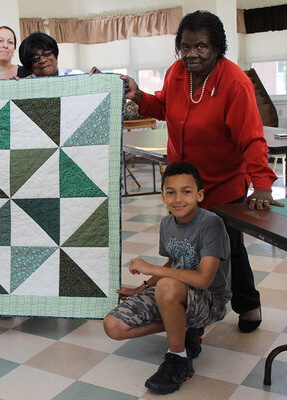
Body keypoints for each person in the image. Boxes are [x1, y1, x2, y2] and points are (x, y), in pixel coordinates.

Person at [121, 10, 282, 333]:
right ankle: (189, 309)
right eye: (186, 46)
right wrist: (140, 97)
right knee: (186, 248)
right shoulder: (177, 73)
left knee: (226, 248)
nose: (192, 54)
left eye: (201, 47)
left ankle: (248, 304)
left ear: (217, 47)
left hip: (223, 184)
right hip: (184, 184)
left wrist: (262, 185)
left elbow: (251, 138)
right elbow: (165, 106)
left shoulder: (234, 81)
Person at [103, 162, 231, 394]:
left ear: (200, 195)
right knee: (114, 327)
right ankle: (185, 328)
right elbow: (173, 262)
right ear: (163, 197)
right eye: (170, 192)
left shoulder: (212, 224)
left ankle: (178, 357)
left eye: (186, 191)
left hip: (210, 300)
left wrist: (152, 269)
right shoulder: (167, 223)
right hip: (173, 292)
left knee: (166, 285)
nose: (178, 199)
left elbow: (203, 280)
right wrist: (140, 288)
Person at [18, 32, 98, 77]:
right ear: (29, 65)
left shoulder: (77, 76)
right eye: (35, 57)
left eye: (46, 53)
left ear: (55, 54)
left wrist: (102, 80)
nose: (42, 60)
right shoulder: (24, 86)